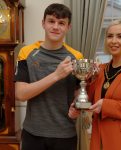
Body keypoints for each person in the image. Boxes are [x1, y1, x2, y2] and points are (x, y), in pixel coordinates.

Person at [15, 3, 83, 150]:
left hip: (65, 134)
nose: (56, 26)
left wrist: (78, 105)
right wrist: (56, 75)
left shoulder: (76, 57)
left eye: (61, 23)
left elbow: (79, 91)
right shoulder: (27, 53)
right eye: (51, 21)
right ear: (43, 23)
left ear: (68, 27)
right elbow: (20, 94)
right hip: (33, 133)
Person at [86, 20, 121, 150]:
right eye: (110, 36)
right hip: (99, 139)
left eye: (120, 36)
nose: (114, 41)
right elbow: (89, 103)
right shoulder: (99, 69)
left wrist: (107, 105)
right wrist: (88, 81)